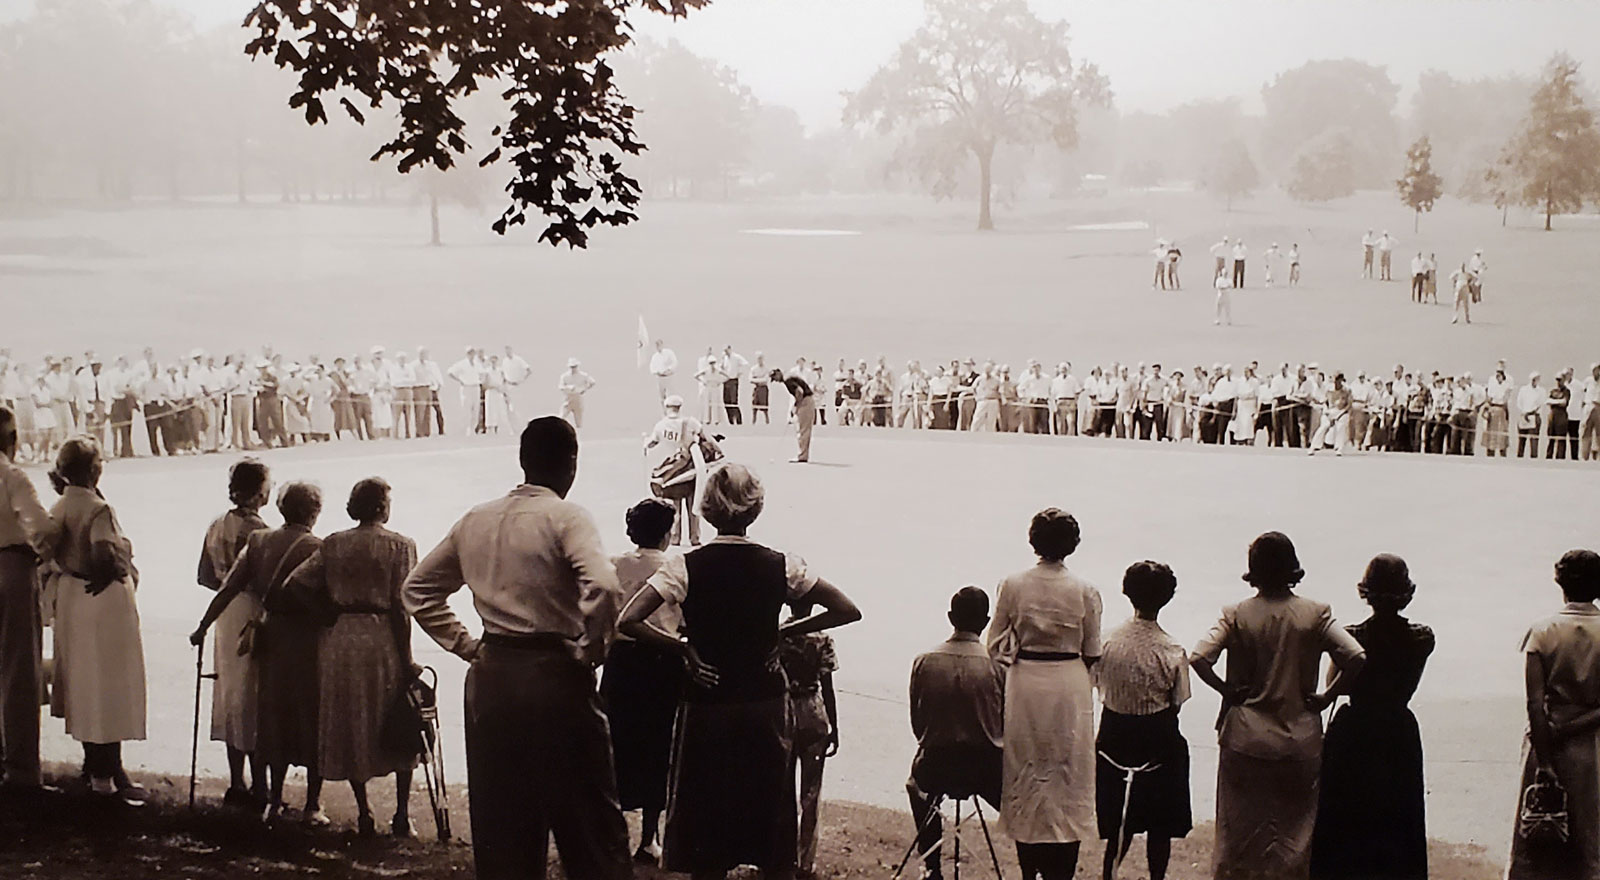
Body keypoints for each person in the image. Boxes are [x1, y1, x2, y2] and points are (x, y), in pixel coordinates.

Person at [403, 417, 630, 880]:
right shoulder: (566, 516)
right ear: (571, 463)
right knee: (589, 818)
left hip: (493, 675)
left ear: (523, 461)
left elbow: (418, 589)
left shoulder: (476, 517)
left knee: (503, 818)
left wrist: (466, 644)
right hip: (553, 670)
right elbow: (604, 585)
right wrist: (593, 646)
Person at [619, 463, 861, 880]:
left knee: (706, 813)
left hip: (707, 702)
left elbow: (629, 620)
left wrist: (682, 649)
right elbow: (846, 610)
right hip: (764, 700)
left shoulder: (684, 566)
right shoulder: (782, 564)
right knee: (768, 810)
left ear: (708, 509)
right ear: (756, 508)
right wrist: (784, 631)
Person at [1190, 532, 1366, 880]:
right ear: (1292, 568)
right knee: (1293, 837)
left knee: (1238, 835)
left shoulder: (1236, 614)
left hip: (1245, 737)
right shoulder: (1315, 614)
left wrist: (1227, 690)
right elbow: (1356, 656)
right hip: (1299, 739)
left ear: (1253, 569)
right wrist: (1327, 697)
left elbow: (1198, 657)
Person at [281, 478, 418, 837]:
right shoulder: (399, 546)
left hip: (341, 637)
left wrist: (325, 613)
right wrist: (407, 661)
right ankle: (402, 813)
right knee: (397, 714)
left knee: (353, 718)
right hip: (380, 635)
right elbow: (402, 608)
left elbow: (294, 584)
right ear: (380, 506)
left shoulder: (335, 543)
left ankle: (365, 811)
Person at [191, 481, 326, 824]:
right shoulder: (318, 547)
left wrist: (203, 626)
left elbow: (227, 587)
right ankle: (312, 803)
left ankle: (274, 798)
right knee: (309, 714)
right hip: (302, 638)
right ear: (315, 512)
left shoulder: (259, 541)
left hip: (267, 635)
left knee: (271, 714)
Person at [988, 508, 1102, 880]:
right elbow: (1092, 649)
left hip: (1027, 682)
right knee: (1067, 773)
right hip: (1069, 681)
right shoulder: (1085, 589)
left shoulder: (1013, 583)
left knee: (1028, 770)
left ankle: (1029, 870)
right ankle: (1061, 872)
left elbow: (995, 643)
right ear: (1073, 544)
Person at [1309, 554, 1433, 880]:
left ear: (1365, 591)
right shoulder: (1422, 638)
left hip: (1353, 730)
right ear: (1407, 592)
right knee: (1396, 819)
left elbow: (1333, 683)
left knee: (1344, 820)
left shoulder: (1351, 637)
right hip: (1397, 729)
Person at [45, 437, 148, 803]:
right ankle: (105, 772)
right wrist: (118, 565)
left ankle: (99, 766)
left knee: (86, 683)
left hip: (73, 598)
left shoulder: (61, 505)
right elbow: (103, 550)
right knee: (108, 685)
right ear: (92, 469)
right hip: (100, 600)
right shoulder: (97, 508)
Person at [1506, 549, 1600, 880]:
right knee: (1590, 843)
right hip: (1593, 747)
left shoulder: (1542, 631)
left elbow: (1533, 703)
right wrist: (1575, 727)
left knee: (1538, 839)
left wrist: (1545, 761)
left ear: (1559, 581)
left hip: (1545, 740)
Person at [1095, 561, 1191, 880]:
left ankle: (1109, 874)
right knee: (1159, 826)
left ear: (1127, 592)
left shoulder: (1104, 643)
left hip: (1112, 738)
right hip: (1158, 741)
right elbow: (1176, 703)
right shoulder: (1172, 650)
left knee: (1118, 826)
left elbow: (1098, 686)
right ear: (1168, 597)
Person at [600, 499, 682, 865]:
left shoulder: (615, 564)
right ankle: (650, 836)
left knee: (616, 741)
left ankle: (612, 830)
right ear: (666, 533)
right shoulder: (674, 566)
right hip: (663, 661)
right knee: (658, 745)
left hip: (622, 660)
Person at [907, 586, 1005, 880]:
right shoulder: (998, 667)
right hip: (986, 770)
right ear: (986, 621)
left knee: (917, 786)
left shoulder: (924, 661)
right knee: (1021, 798)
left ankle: (932, 866)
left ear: (951, 617)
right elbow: (1005, 725)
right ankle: (1034, 865)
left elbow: (918, 724)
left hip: (936, 766)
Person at [196, 458, 273, 807]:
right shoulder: (260, 532)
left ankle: (236, 781)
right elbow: (264, 580)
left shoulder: (216, 525)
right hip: (250, 609)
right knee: (254, 692)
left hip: (224, 612)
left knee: (229, 690)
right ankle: (259, 784)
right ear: (259, 493)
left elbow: (205, 576)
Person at [0, 406, 58, 793]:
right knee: (19, 669)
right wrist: (45, 553)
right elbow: (40, 528)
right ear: (12, 440)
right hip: (10, 568)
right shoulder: (11, 476)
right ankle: (20, 768)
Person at [780, 595, 840, 879]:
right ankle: (806, 861)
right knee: (811, 792)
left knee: (781, 788)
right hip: (814, 712)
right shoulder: (822, 639)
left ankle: (780, 854)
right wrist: (835, 727)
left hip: (785, 710)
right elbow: (827, 685)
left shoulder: (778, 634)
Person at [645, 396, 706, 547]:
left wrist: (645, 442)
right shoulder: (690, 423)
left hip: (671, 471)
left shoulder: (660, 425)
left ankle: (675, 537)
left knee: (674, 507)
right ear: (680, 407)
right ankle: (694, 537)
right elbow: (704, 436)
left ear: (667, 408)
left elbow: (652, 443)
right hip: (690, 469)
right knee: (693, 506)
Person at [773, 368, 816, 464]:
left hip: (806, 402)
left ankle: (802, 456)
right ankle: (803, 455)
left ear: (779, 373)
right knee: (802, 429)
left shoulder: (787, 380)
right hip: (807, 401)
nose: (776, 380)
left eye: (775, 377)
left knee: (803, 430)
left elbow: (799, 392)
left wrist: (796, 406)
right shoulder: (789, 377)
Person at [1308, 373, 1351, 456]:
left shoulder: (1347, 390)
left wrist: (1340, 415)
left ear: (1341, 380)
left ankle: (1339, 448)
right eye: (1334, 381)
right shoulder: (1328, 389)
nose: (1335, 383)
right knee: (1324, 425)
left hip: (1342, 412)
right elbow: (1325, 402)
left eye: (1337, 381)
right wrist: (1327, 412)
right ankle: (1314, 446)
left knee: (1340, 426)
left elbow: (1349, 405)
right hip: (1330, 411)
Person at [558, 358, 596, 430]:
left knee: (578, 420)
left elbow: (592, 382)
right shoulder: (565, 376)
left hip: (578, 399)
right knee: (561, 417)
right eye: (572, 367)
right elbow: (560, 386)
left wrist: (584, 389)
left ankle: (579, 435)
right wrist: (568, 387)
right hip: (568, 399)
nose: (573, 369)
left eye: (574, 367)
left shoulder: (583, 375)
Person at [1518, 372, 1544, 459]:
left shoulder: (1541, 391)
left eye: (1536, 379)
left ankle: (1534, 459)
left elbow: (1540, 404)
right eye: (1533, 379)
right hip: (1524, 415)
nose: (1534, 381)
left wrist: (1531, 412)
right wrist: (1524, 413)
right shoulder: (1523, 389)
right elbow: (1519, 402)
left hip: (1534, 416)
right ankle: (1519, 458)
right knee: (1521, 440)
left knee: (1534, 441)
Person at [721, 346, 748, 426]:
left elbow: (745, 364)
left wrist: (740, 373)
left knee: (733, 401)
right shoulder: (725, 358)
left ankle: (739, 421)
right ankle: (731, 421)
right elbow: (722, 367)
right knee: (726, 401)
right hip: (726, 380)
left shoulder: (736, 357)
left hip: (733, 380)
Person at [1548, 373, 1572, 460]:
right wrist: (1558, 401)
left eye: (1560, 380)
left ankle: (1560, 458)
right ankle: (1549, 457)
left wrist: (1555, 401)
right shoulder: (1553, 391)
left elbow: (1564, 402)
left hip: (1561, 416)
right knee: (1551, 438)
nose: (1558, 382)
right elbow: (1548, 401)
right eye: (1557, 380)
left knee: (1561, 439)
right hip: (1552, 416)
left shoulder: (1566, 391)